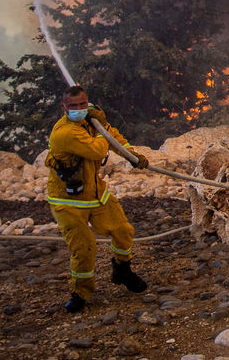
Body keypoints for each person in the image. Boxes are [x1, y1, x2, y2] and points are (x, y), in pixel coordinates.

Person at [46, 84, 151, 312]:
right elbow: (97, 149)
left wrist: (131, 154)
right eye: (72, 106)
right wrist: (101, 125)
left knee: (123, 230)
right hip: (69, 202)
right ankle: (80, 293)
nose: (78, 108)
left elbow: (112, 135)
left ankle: (122, 270)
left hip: (96, 194)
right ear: (63, 107)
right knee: (84, 248)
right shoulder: (65, 133)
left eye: (82, 104)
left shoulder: (89, 121)